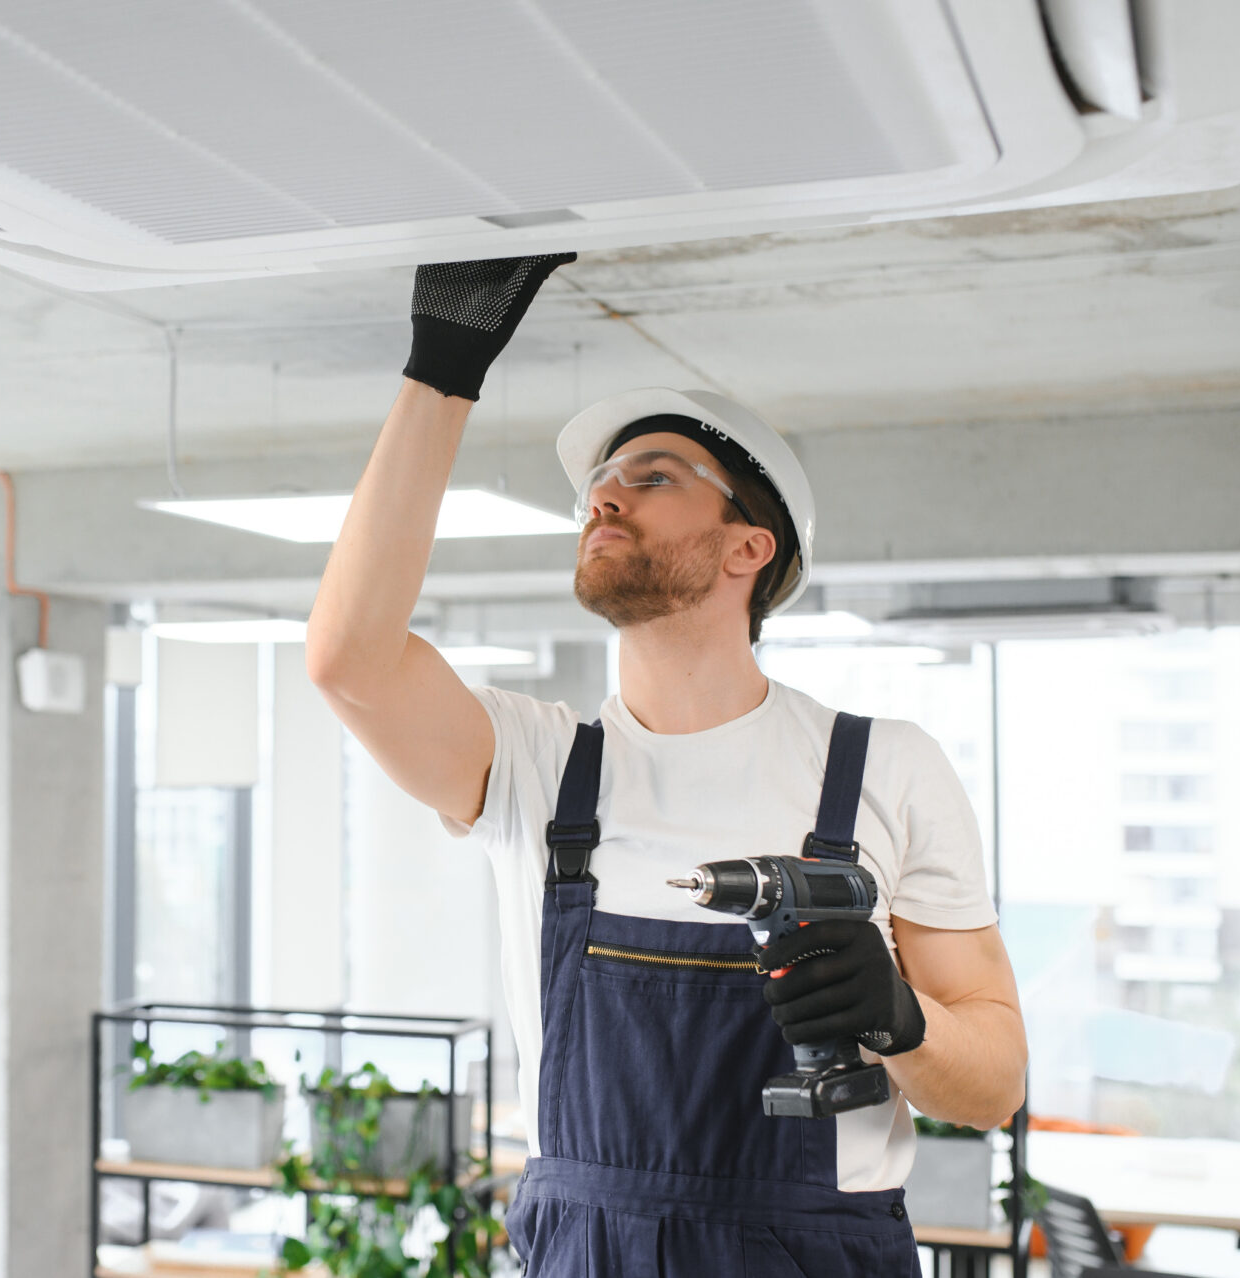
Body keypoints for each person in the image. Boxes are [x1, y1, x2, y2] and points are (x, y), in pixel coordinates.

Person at [306, 255, 1027, 1276]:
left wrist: (900, 1018)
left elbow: (993, 1085)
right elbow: (349, 659)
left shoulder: (886, 769)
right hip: (588, 1247)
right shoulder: (535, 764)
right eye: (600, 484)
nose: (605, 498)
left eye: (651, 477)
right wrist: (445, 368)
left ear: (748, 548)